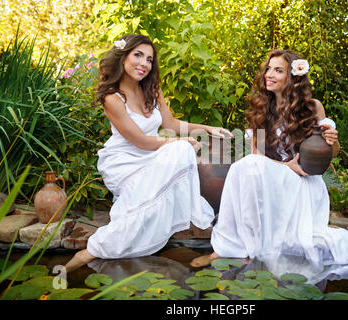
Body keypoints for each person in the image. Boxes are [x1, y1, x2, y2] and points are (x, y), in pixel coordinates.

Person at [190, 50, 348, 282]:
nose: (269, 75)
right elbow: (257, 156)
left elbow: (328, 157)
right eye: (268, 69)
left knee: (247, 166)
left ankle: (248, 249)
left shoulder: (313, 108)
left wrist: (333, 142)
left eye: (278, 70)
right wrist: (286, 167)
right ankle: (226, 248)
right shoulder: (262, 109)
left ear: (293, 77)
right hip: (277, 175)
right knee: (243, 166)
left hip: (304, 182)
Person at [65, 34, 232, 272]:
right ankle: (90, 252)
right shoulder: (113, 98)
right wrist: (179, 143)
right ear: (123, 56)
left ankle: (108, 245)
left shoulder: (153, 90)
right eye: (138, 55)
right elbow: (141, 141)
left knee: (179, 153)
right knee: (179, 152)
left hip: (153, 153)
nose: (144, 63)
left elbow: (171, 124)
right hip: (125, 160)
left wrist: (208, 128)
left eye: (150, 59)